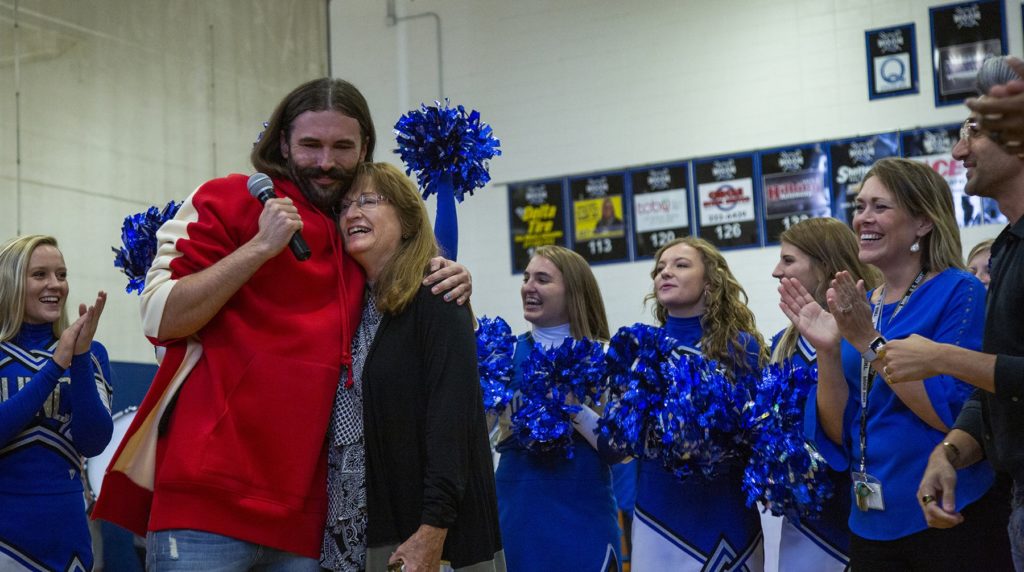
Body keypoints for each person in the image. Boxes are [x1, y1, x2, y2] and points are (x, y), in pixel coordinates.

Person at [94, 78, 471, 570]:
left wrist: (450, 273)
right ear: (283, 143)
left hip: (308, 521)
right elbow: (161, 315)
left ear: (364, 150)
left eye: (343, 147)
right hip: (206, 503)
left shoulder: (355, 235)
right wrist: (259, 248)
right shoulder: (228, 199)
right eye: (310, 145)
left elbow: (408, 270)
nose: (325, 162)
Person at [779, 157, 1010, 570]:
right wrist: (830, 352)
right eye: (860, 206)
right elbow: (838, 432)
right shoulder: (863, 302)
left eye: (879, 207)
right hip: (869, 520)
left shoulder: (962, 291)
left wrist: (869, 342)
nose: (863, 218)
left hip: (945, 514)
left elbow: (951, 414)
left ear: (922, 222)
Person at [878, 55, 1024, 570]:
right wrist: (951, 453)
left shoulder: (962, 286)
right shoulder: (1008, 249)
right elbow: (997, 383)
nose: (959, 150)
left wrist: (941, 357)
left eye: (974, 131)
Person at [321, 162, 502, 572]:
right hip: (344, 537)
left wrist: (431, 530)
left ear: (406, 220)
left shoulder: (436, 294)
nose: (352, 213)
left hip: (420, 540)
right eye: (345, 206)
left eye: (368, 201)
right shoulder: (346, 308)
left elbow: (452, 424)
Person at [630, 236, 767, 572]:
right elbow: (620, 445)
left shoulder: (742, 348)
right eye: (660, 267)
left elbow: (761, 435)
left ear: (710, 281)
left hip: (727, 511)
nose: (665, 273)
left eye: (680, 265)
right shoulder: (641, 350)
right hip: (659, 514)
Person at [492, 244, 621, 571]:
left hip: (584, 519)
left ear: (573, 291)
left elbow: (619, 449)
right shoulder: (502, 357)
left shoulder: (605, 357)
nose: (528, 287)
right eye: (526, 278)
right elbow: (475, 436)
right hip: (516, 518)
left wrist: (572, 407)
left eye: (543, 279)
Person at [770, 217, 880, 571]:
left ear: (824, 266)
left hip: (864, 511)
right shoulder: (779, 346)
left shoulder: (870, 329)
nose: (776, 271)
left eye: (788, 260)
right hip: (803, 523)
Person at [0, 235, 112, 571]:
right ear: (11, 282)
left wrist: (77, 357)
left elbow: (94, 441)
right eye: (40, 275)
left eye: (61, 274)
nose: (55, 285)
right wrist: (55, 366)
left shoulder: (91, 354)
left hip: (70, 541)